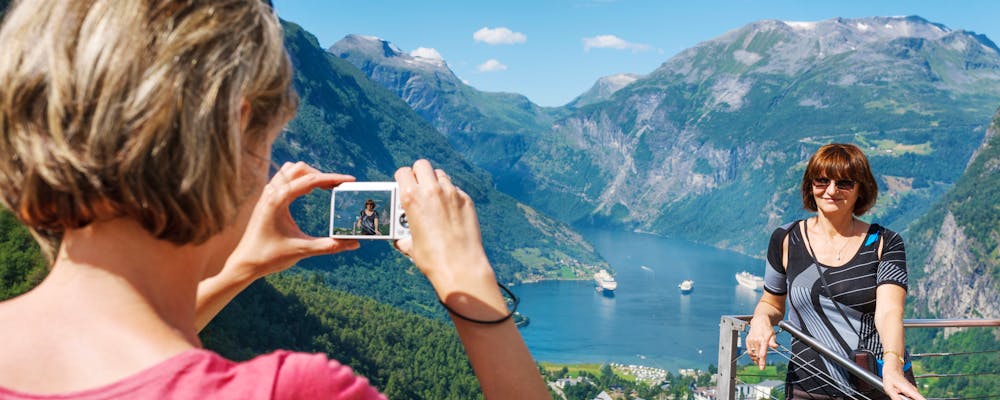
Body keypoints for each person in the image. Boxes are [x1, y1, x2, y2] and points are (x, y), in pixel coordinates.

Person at [0, 1, 549, 399]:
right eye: (270, 138)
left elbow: (115, 367)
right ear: (232, 130)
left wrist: (241, 268)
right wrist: (470, 286)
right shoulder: (295, 391)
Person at [745, 144, 924, 400]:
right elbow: (771, 302)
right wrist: (760, 320)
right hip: (807, 387)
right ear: (810, 185)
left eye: (844, 183)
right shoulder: (786, 239)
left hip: (873, 384)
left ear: (861, 189)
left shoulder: (885, 242)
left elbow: (889, 312)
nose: (831, 190)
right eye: (821, 181)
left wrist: (893, 364)